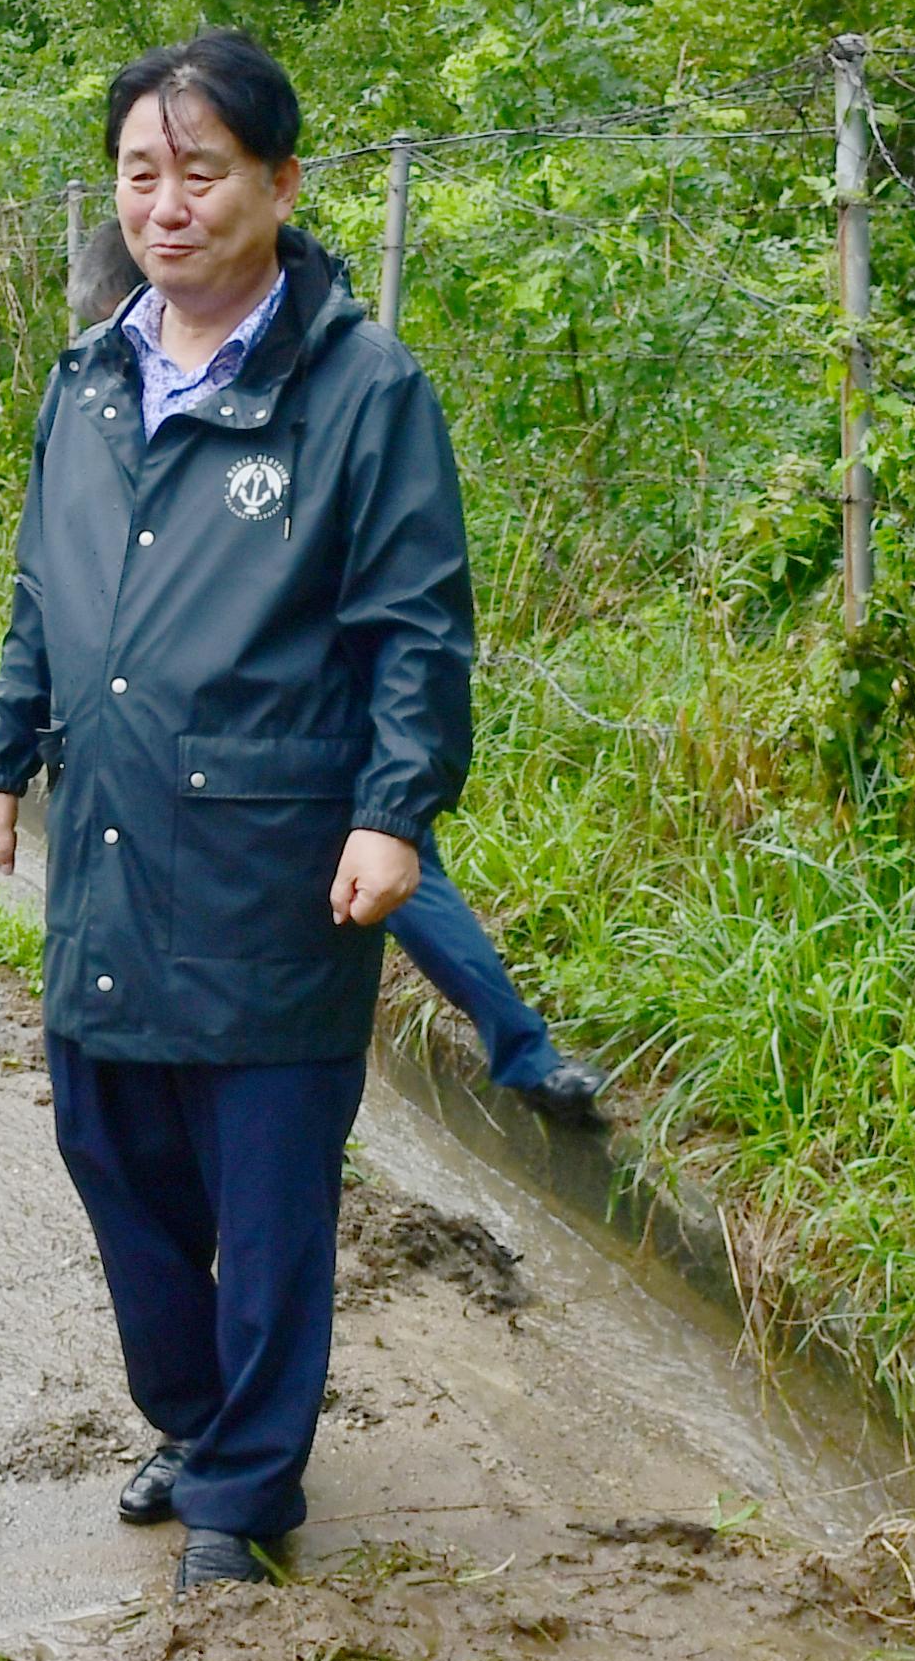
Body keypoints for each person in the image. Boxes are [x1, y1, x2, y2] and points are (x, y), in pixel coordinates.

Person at [0, 29, 473, 1590]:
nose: (165, 205)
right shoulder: (91, 377)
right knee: (120, 1166)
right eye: (139, 174)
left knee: (265, 1199)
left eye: (201, 172)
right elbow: (49, 585)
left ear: (279, 184)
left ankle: (247, 1491)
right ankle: (190, 1419)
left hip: (270, 862)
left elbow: (416, 624)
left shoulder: (363, 390)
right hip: (110, 852)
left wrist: (396, 810)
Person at [62, 214, 604, 1128]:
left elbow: (408, 613)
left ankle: (525, 1049)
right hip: (314, 739)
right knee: (413, 891)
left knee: (401, 881)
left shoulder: (341, 380)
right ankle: (525, 1050)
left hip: (322, 733)